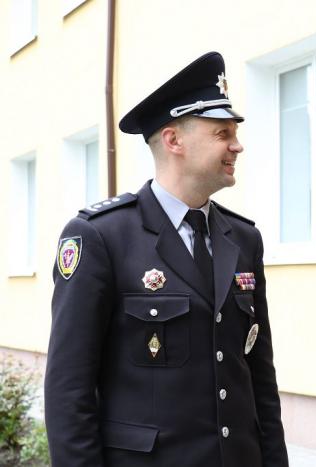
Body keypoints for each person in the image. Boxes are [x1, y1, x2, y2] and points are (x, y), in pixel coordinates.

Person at [45, 52, 288, 467]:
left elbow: (260, 379)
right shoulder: (101, 237)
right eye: (222, 133)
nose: (237, 145)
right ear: (174, 141)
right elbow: (69, 391)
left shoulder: (244, 239)